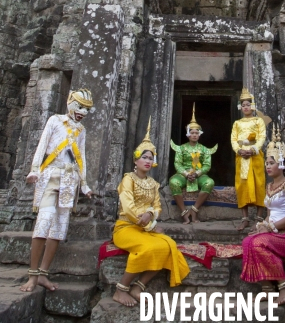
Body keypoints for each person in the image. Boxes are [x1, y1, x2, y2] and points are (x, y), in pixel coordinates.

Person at [20, 88, 94, 293]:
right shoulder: (54, 120)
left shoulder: (81, 130)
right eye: (79, 106)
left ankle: (44, 273)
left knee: (59, 229)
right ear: (70, 102)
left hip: (69, 179)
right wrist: (34, 170)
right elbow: (42, 146)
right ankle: (32, 275)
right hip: (50, 175)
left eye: (87, 109)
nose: (82, 112)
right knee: (43, 222)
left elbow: (79, 157)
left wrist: (84, 184)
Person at [112, 119, 190, 307]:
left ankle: (139, 286)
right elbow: (129, 208)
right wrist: (150, 224)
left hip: (145, 228)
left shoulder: (153, 184)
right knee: (147, 248)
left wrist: (151, 215)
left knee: (168, 245)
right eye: (145, 157)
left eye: (151, 158)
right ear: (136, 159)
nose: (148, 161)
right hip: (126, 228)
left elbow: (157, 207)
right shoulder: (127, 180)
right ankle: (120, 289)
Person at [241, 125, 285, 305]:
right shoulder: (269, 187)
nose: (268, 166)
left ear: (282, 163)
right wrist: (262, 225)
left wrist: (270, 227)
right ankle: (268, 288)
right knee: (248, 242)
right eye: (267, 163)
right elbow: (271, 214)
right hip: (276, 232)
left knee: (259, 243)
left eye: (272, 163)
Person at [169, 104, 217, 224]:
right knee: (173, 182)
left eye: (197, 133)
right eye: (192, 133)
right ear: (188, 134)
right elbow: (177, 164)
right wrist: (186, 174)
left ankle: (195, 209)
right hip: (183, 174)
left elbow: (207, 165)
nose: (194, 135)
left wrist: (197, 173)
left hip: (199, 175)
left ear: (200, 134)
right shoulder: (181, 149)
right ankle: (184, 212)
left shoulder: (204, 149)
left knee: (209, 182)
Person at [231, 88, 267, 230]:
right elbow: (233, 139)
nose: (246, 107)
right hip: (241, 157)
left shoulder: (259, 121)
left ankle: (258, 218)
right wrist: (238, 150)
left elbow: (262, 137)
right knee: (242, 185)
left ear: (252, 106)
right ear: (240, 107)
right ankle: (244, 218)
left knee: (259, 183)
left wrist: (253, 149)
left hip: (255, 156)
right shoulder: (237, 123)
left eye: (248, 104)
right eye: (243, 105)